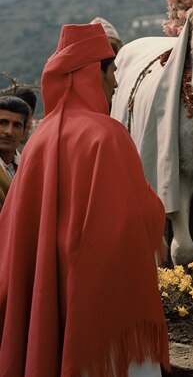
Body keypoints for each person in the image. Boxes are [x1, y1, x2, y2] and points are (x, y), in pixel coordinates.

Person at [0, 24, 169, 376]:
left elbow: (14, 230)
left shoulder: (36, 142)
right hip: (98, 311)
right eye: (113, 72)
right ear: (94, 73)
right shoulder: (107, 136)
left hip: (49, 295)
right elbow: (129, 223)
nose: (117, 84)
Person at [0, 95, 30, 210]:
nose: (9, 132)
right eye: (3, 123)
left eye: (17, 125)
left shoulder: (29, 167)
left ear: (24, 132)